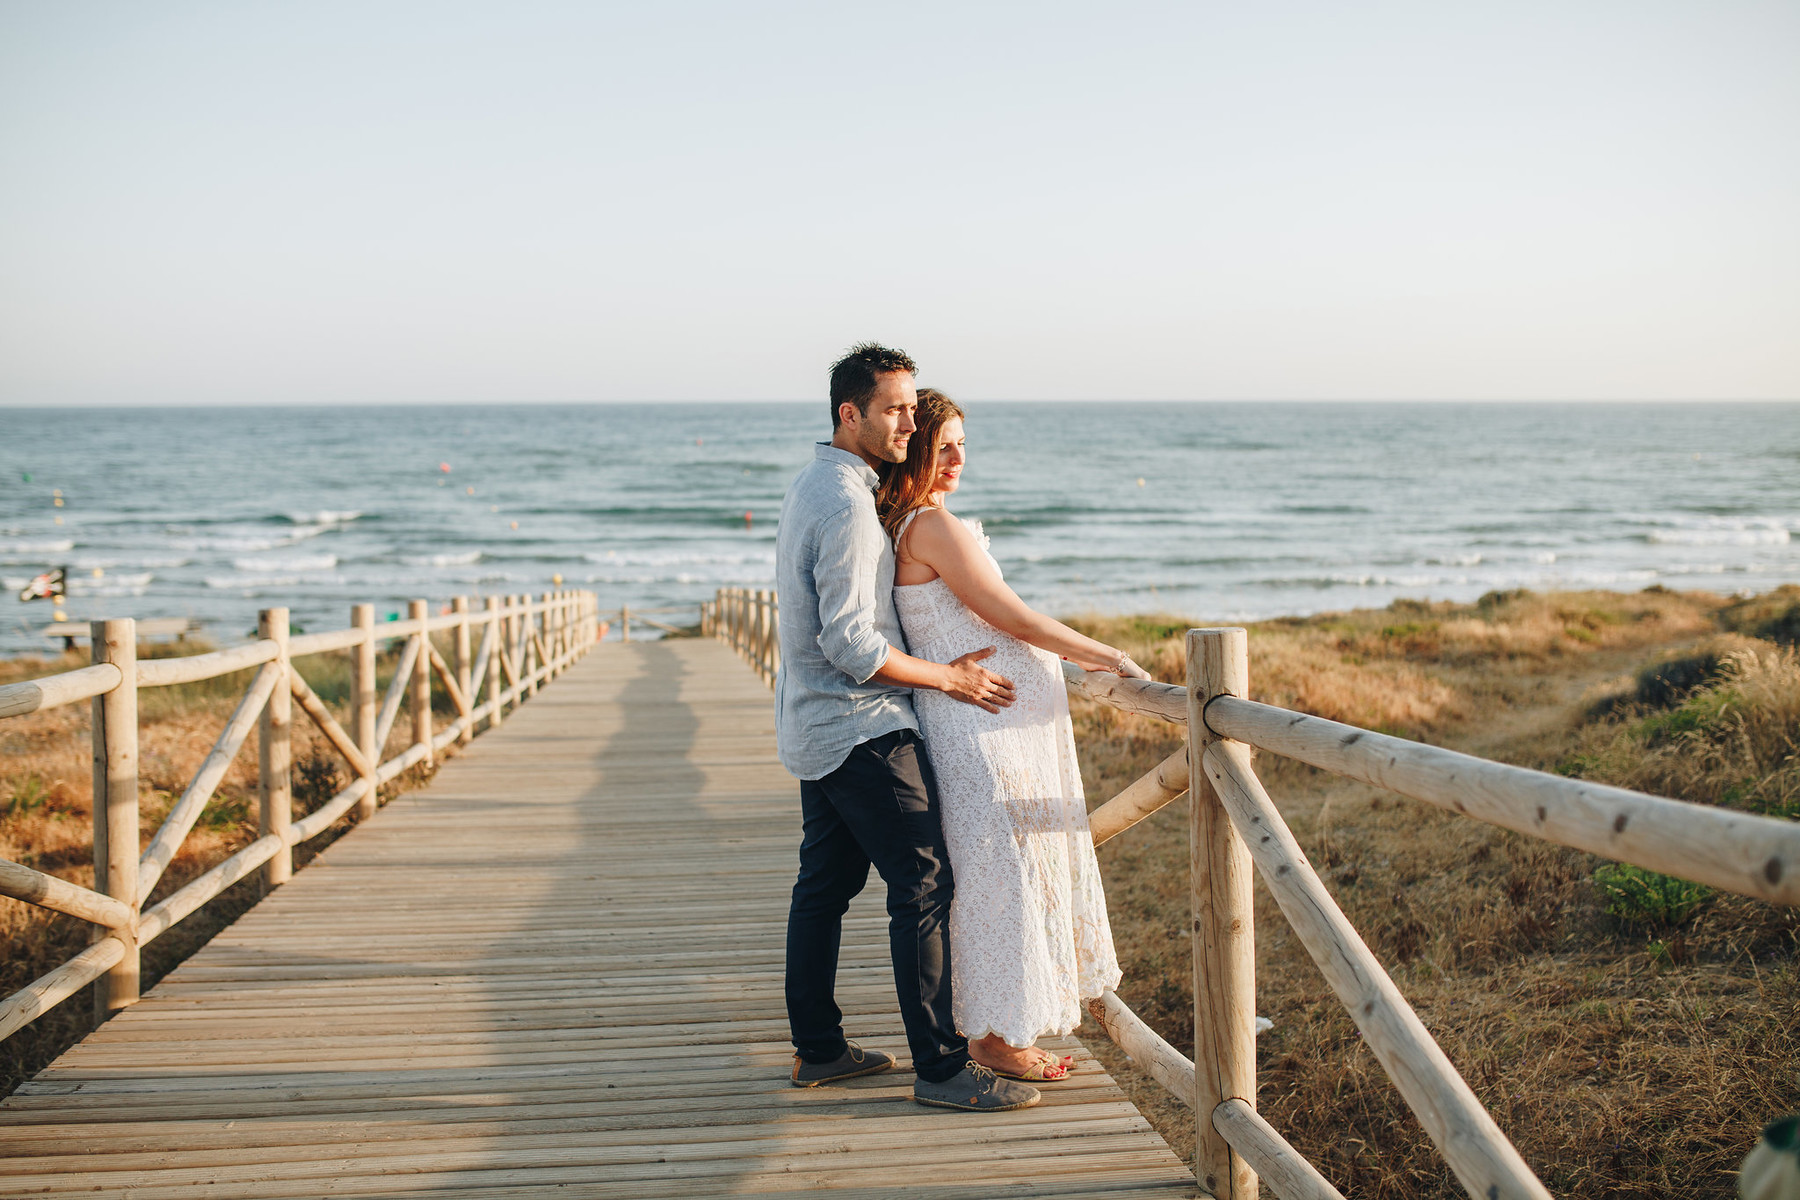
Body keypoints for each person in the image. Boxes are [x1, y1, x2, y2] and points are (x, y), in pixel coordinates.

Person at [775, 344, 1041, 1112]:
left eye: (910, 406)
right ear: (847, 413)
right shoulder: (849, 505)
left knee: (823, 888)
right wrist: (953, 677)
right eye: (892, 409)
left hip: (813, 724)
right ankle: (943, 1069)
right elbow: (853, 646)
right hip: (861, 726)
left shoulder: (815, 483)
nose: (907, 422)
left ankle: (820, 1050)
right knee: (924, 886)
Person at [877, 388, 1147, 1082]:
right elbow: (1015, 619)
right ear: (914, 450)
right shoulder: (929, 526)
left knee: (1001, 874)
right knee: (1002, 876)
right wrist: (1107, 657)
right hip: (982, 731)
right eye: (943, 446)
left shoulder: (920, 521)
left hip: (992, 725)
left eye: (964, 443)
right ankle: (994, 1040)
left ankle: (998, 1028)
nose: (958, 458)